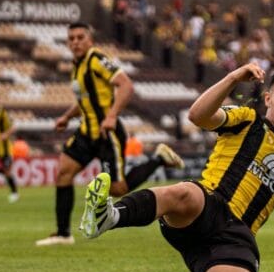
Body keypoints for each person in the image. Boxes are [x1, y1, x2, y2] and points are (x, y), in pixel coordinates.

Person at [78, 64, 274, 272]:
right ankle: (109, 216)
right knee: (186, 193)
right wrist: (233, 78)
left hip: (236, 238)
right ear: (268, 99)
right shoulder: (247, 119)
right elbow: (197, 115)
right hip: (207, 206)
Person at [37, 22, 185, 246]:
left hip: (108, 134)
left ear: (90, 40)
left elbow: (125, 84)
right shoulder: (77, 65)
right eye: (71, 38)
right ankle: (63, 233)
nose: (75, 42)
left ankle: (159, 159)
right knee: (63, 174)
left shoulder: (96, 59)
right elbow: (86, 99)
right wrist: (67, 117)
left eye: (80, 37)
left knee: (118, 190)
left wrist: (112, 116)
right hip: (86, 132)